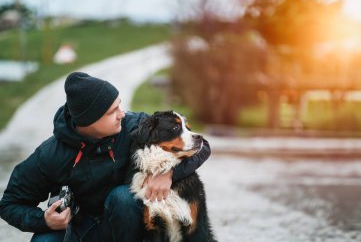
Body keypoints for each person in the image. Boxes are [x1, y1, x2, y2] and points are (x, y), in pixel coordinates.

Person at [0, 72, 211, 241]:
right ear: (87, 121)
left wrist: (170, 173)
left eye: (119, 104)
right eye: (112, 111)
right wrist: (45, 220)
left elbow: (202, 146)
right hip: (77, 229)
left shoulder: (133, 126)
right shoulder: (50, 154)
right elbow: (9, 204)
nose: (122, 113)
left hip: (123, 225)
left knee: (123, 197)